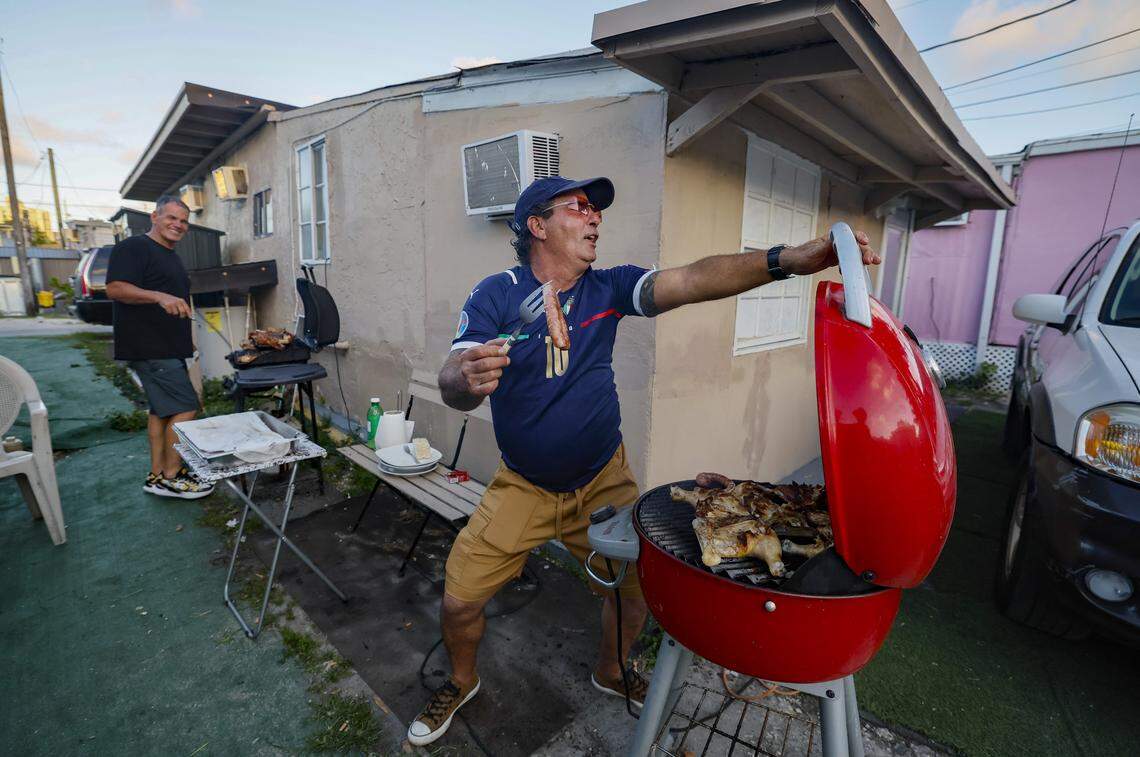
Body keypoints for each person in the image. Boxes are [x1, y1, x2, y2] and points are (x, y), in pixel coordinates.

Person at [407, 176, 879, 746]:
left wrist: (788, 260)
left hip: (603, 479)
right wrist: (466, 377)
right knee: (459, 600)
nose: (595, 218)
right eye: (579, 207)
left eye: (596, 209)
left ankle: (610, 669)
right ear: (537, 224)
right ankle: (461, 681)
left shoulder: (608, 288)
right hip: (523, 487)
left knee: (632, 594)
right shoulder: (498, 294)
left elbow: (693, 279)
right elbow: (455, 376)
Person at [106, 195, 214, 500]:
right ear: (154, 217)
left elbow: (176, 304)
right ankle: (172, 476)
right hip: (149, 346)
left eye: (183, 221)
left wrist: (186, 340)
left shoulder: (171, 255)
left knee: (162, 412)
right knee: (185, 407)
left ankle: (156, 475)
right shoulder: (134, 247)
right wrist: (159, 296)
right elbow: (115, 288)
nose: (178, 225)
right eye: (172, 218)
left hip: (167, 345)